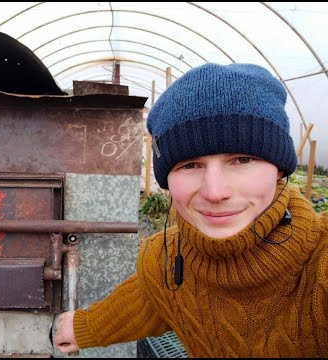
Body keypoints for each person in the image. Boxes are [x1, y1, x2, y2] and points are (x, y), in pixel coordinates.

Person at [54, 63, 328, 358]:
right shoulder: (167, 262)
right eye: (190, 165)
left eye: (243, 159)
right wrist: (79, 327)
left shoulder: (319, 264)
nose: (215, 192)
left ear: (279, 169)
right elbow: (143, 302)